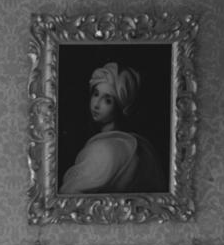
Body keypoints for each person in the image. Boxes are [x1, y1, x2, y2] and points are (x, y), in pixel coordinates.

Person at [59, 62, 165, 195]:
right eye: (96, 94)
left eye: (107, 100)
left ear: (120, 107)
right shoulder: (132, 144)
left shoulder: (105, 148)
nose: (96, 104)